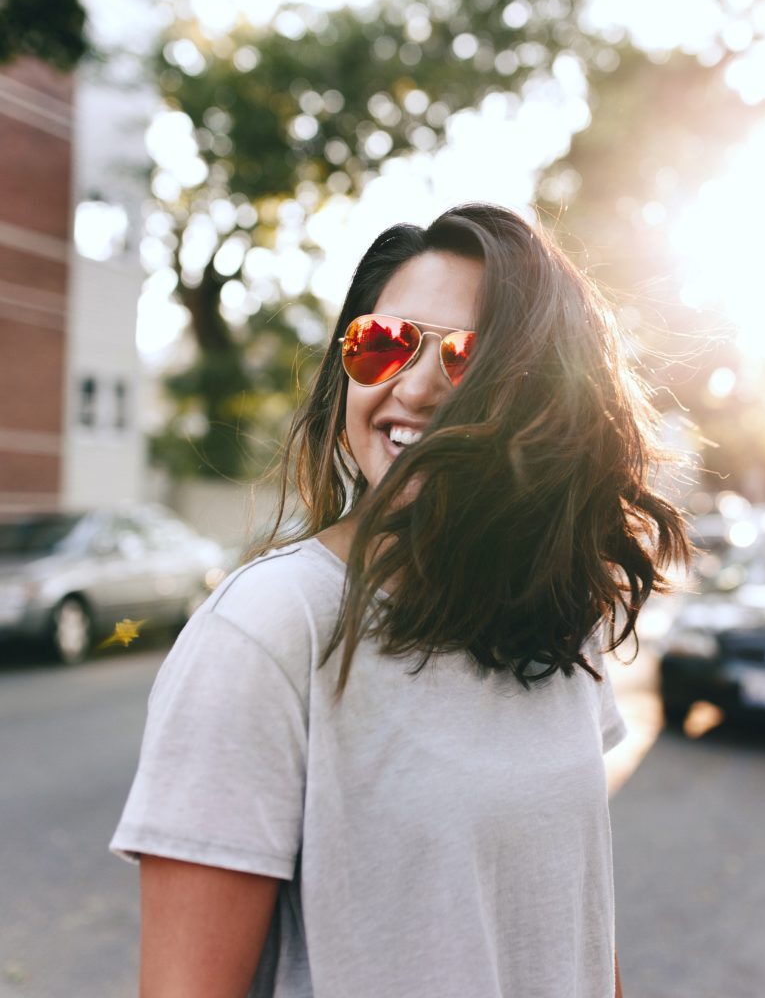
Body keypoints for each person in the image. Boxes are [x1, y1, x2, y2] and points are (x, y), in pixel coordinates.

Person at [112, 202, 689, 997]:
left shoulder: (556, 620)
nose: (413, 388)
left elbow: (576, 929)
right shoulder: (268, 628)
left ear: (546, 400)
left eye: (466, 359)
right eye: (383, 345)